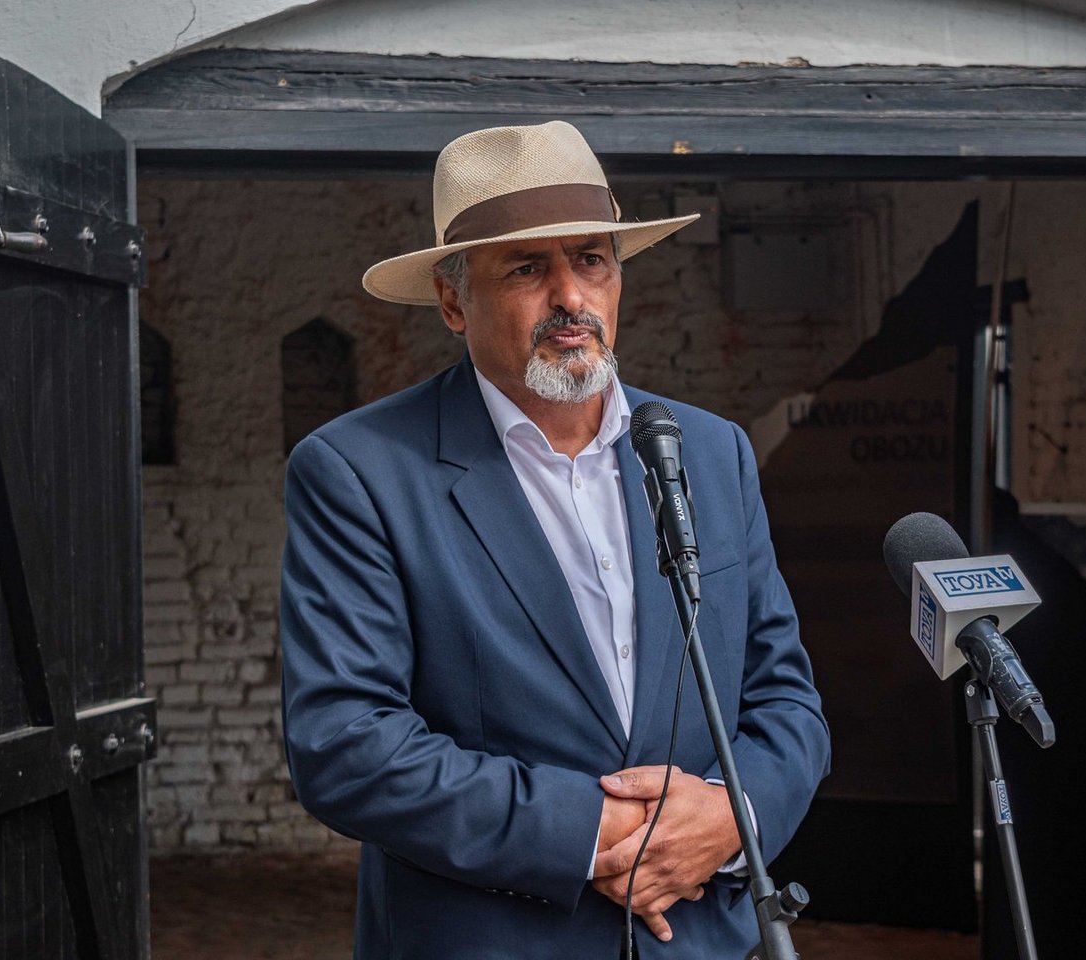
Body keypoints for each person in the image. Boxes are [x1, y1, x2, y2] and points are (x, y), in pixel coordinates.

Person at [279, 120, 830, 959]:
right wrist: (590, 830)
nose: (571, 296)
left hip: (702, 940)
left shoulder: (711, 452)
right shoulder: (360, 471)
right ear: (454, 302)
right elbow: (347, 745)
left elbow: (786, 699)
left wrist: (732, 815)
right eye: (527, 268)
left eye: (592, 259)